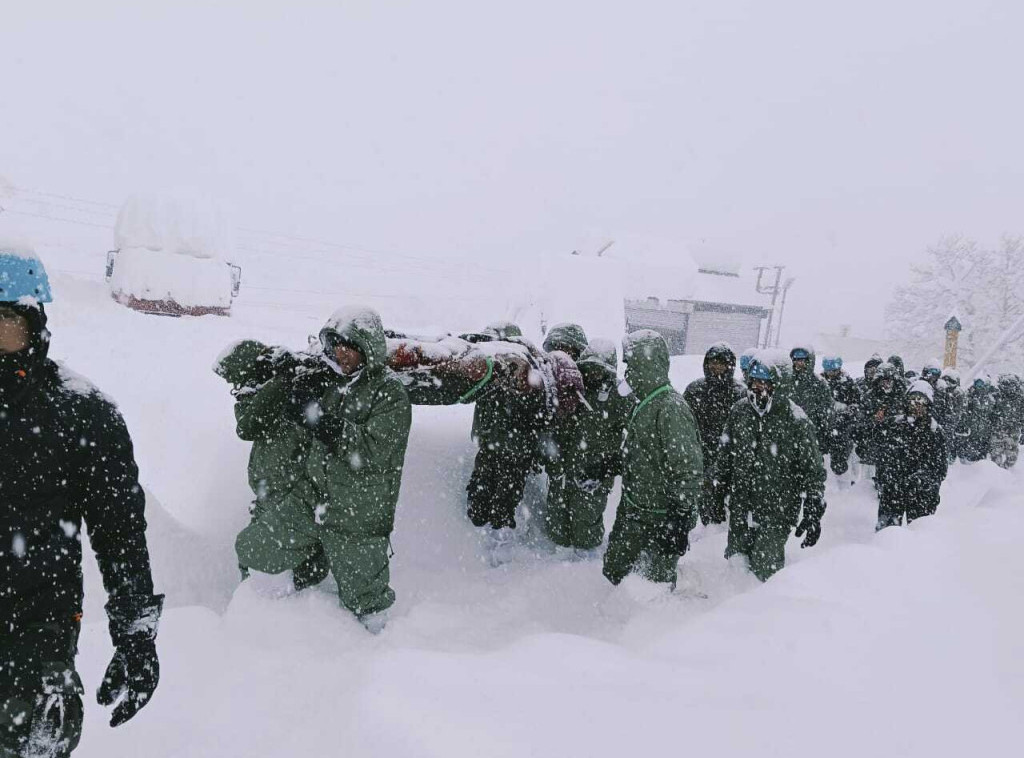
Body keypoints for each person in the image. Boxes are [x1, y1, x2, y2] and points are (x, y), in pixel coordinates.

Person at [1, 247, 162, 756]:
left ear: (36, 326)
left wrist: (135, 633)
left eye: (4, 321)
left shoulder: (81, 413)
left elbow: (119, 532)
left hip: (36, 637)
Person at [233, 307, 412, 632]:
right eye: (336, 344)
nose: (341, 353)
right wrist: (289, 386)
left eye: (349, 345)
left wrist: (322, 420)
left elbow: (373, 451)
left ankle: (382, 660)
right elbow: (254, 425)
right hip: (310, 500)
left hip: (357, 514)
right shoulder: (327, 379)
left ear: (367, 347)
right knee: (255, 549)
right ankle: (267, 619)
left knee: (367, 603)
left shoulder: (390, 392)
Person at [603, 330, 702, 588]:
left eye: (632, 364)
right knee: (616, 574)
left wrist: (678, 520)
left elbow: (687, 470)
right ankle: (612, 624)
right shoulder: (645, 402)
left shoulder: (670, 407)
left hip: (659, 519)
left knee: (650, 590)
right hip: (634, 511)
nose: (628, 372)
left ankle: (652, 627)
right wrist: (612, 463)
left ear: (648, 363)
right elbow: (644, 451)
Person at [712, 358, 827, 581]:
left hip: (778, 509)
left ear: (779, 385)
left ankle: (764, 611)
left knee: (765, 569)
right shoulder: (740, 410)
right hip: (741, 506)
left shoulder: (795, 419)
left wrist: (814, 505)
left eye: (766, 382)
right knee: (737, 565)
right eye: (755, 381)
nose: (759, 387)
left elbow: (812, 467)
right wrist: (718, 488)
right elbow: (725, 454)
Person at [544, 339, 630, 553]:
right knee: (556, 526)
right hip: (562, 470)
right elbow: (551, 425)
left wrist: (610, 465)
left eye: (598, 370)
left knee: (586, 527)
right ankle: (554, 566)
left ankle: (583, 568)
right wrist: (551, 458)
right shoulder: (569, 388)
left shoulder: (620, 397)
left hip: (593, 474)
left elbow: (633, 437)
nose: (592, 374)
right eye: (588, 368)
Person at [683, 343, 745, 524]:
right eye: (712, 362)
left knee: (719, 503)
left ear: (730, 366)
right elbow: (685, 422)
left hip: (727, 455)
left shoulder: (739, 393)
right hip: (698, 452)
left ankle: (713, 536)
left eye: (721, 363)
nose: (716, 367)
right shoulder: (695, 389)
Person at [874, 381, 948, 529]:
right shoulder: (894, 425)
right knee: (887, 535)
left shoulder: (935, 432)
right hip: (893, 490)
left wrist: (925, 482)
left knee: (920, 536)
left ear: (928, 404)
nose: (916, 405)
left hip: (922, 494)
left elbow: (940, 468)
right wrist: (886, 478)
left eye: (921, 401)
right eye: (912, 400)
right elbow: (881, 454)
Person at [851, 361, 905, 469]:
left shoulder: (902, 397)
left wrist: (891, 419)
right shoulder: (869, 397)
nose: (887, 385)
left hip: (897, 447)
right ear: (878, 382)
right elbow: (859, 423)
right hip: (873, 446)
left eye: (889, 381)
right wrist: (873, 419)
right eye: (883, 382)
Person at [789, 345, 834, 453]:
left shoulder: (819, 383)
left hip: (811, 434)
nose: (798, 363)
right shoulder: (786, 380)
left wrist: (823, 436)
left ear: (809, 361)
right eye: (795, 360)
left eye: (802, 360)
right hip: (788, 432)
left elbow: (826, 413)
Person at [820, 355, 861, 475]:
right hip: (823, 423)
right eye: (829, 371)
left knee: (840, 450)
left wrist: (846, 412)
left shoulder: (848, 382)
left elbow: (856, 403)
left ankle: (841, 475)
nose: (831, 373)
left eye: (834, 370)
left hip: (842, 425)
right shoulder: (820, 381)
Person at [957, 373, 998, 463]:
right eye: (977, 383)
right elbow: (963, 412)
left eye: (981, 384)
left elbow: (995, 415)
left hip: (985, 434)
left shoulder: (993, 397)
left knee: (981, 460)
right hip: (971, 433)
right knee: (967, 458)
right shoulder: (969, 395)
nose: (978, 386)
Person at [990, 373, 1024, 469]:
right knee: (995, 452)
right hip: (998, 429)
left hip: (1013, 430)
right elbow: (990, 412)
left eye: (1011, 385)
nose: (1008, 387)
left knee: (1012, 455)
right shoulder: (996, 396)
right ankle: (997, 471)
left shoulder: (1020, 399)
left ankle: (1006, 471)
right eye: (1006, 384)